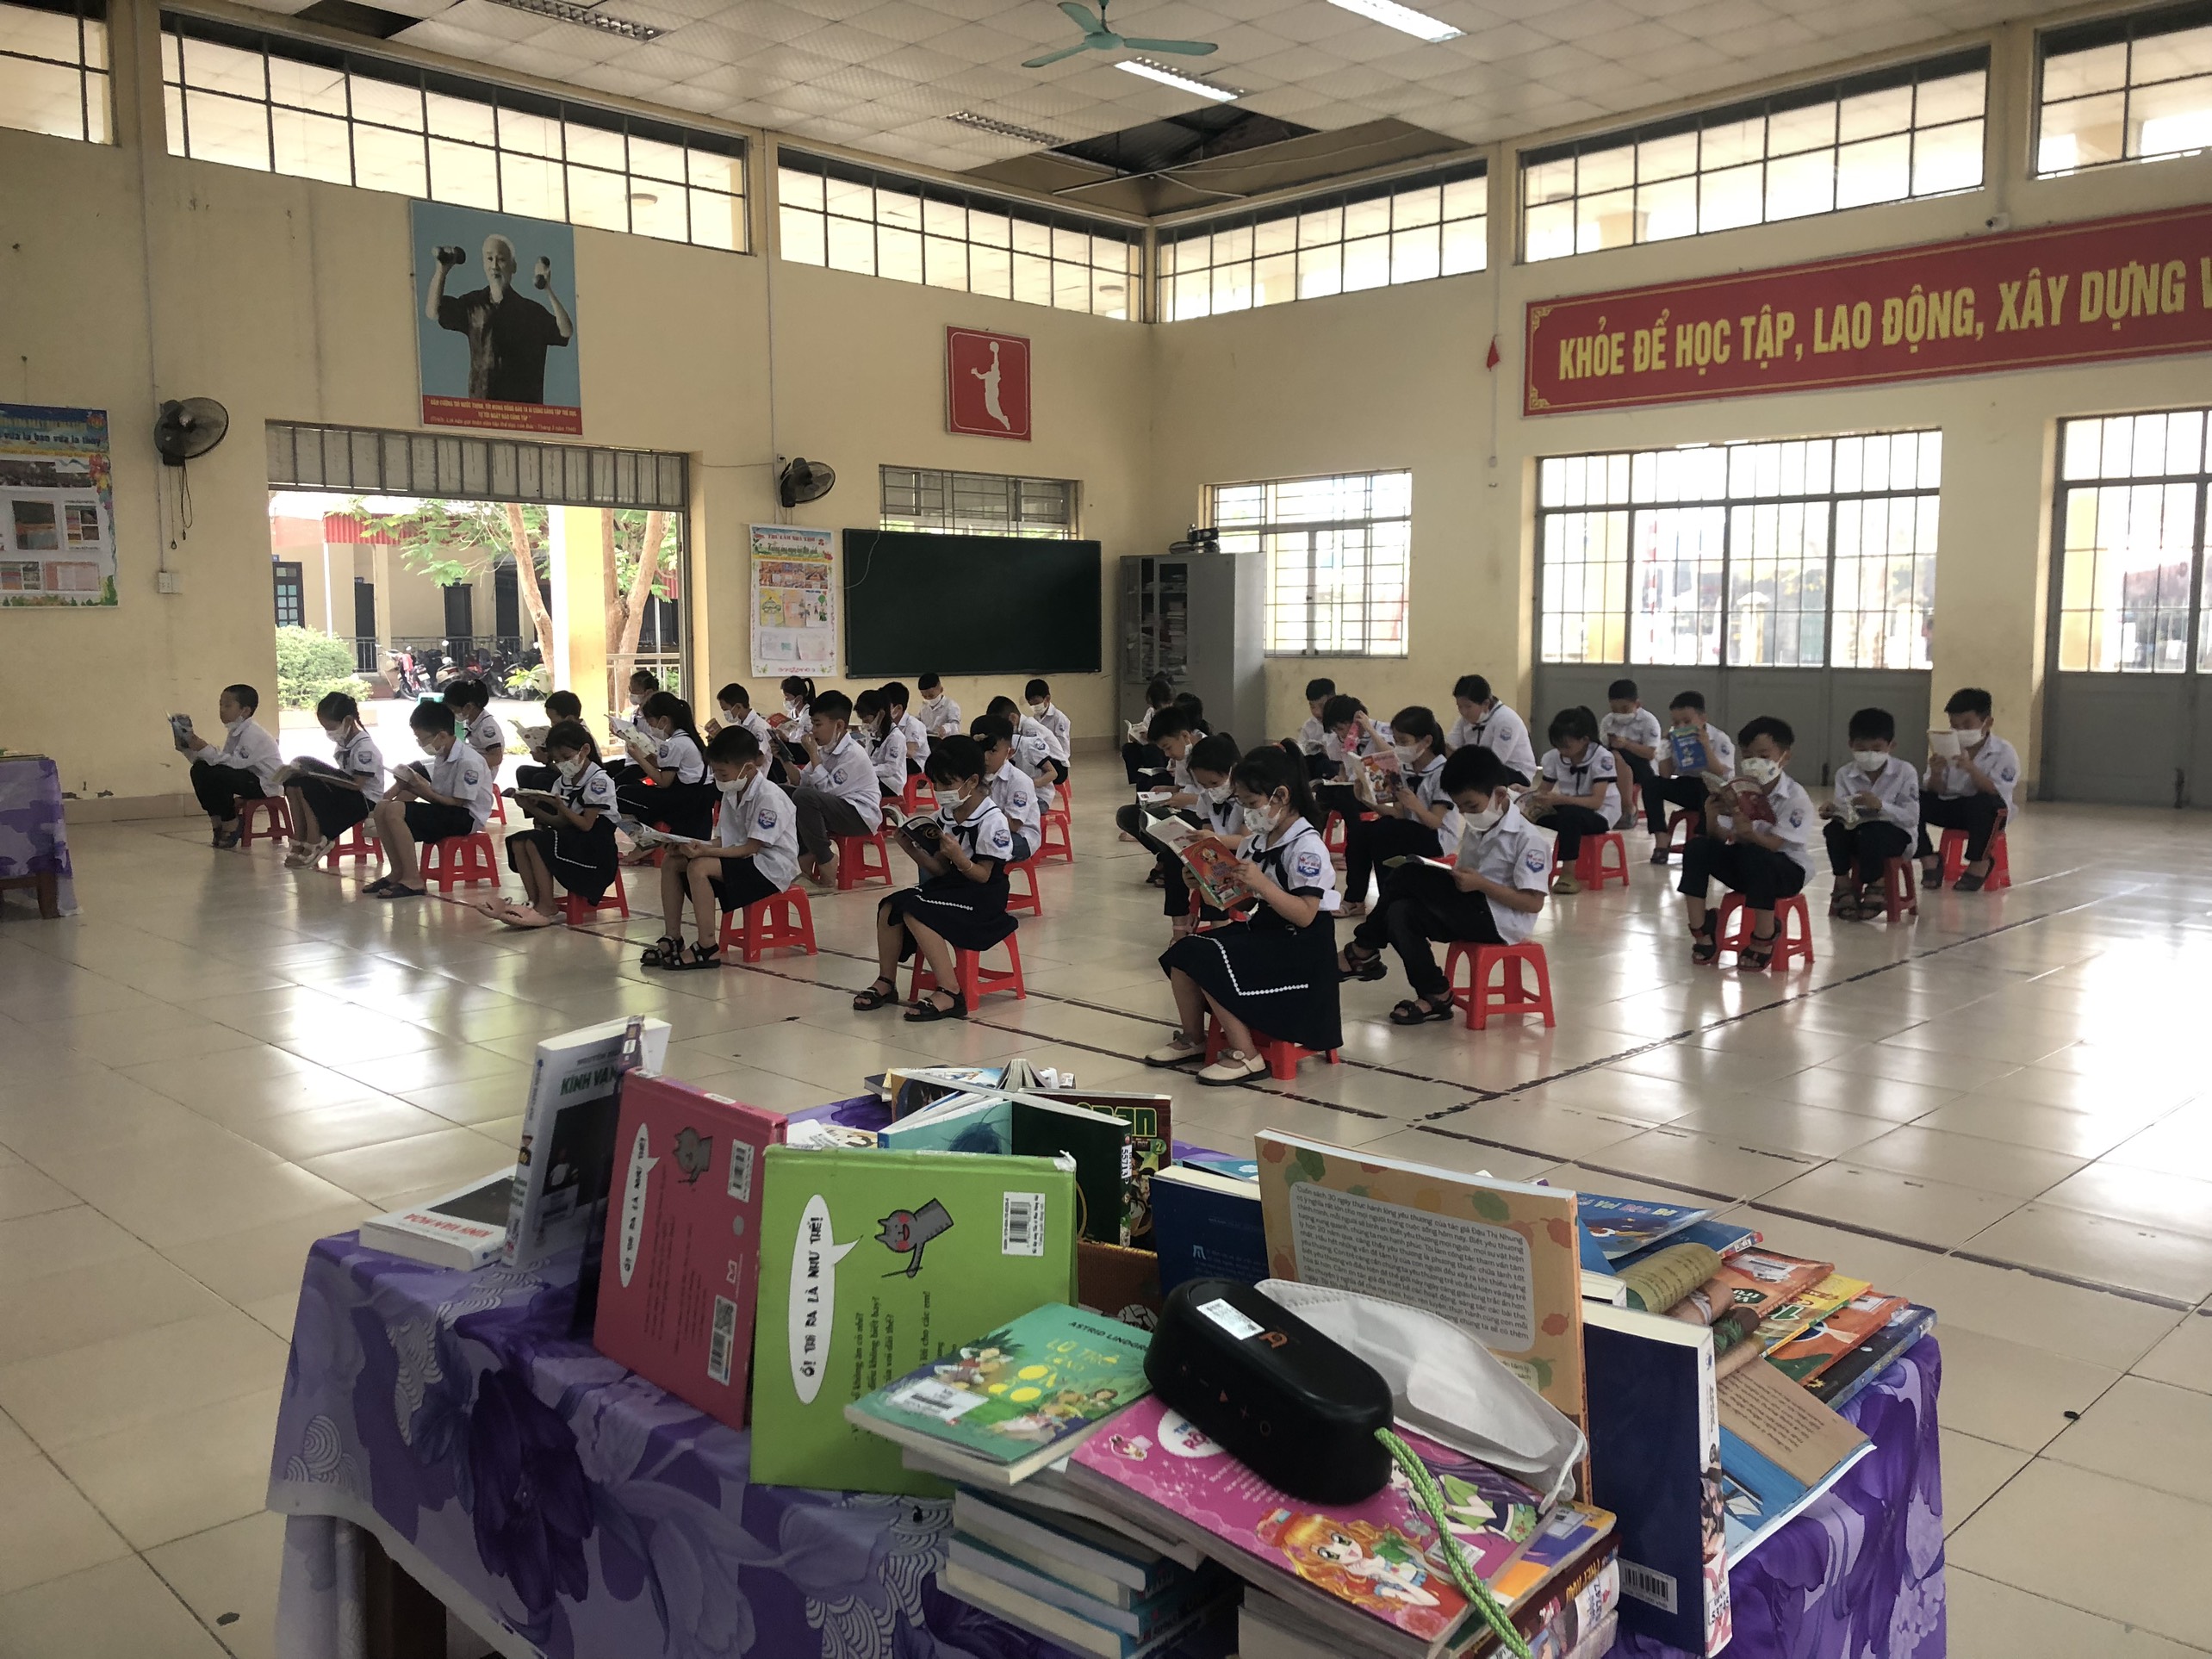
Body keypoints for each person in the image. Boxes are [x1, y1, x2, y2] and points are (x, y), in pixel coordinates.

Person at [1146, 746, 1342, 1084]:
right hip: (1266, 928)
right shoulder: (1259, 841)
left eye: (1252, 804)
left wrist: (1262, 884)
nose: (1249, 814)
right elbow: (1241, 905)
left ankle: (1245, 1054)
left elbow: (1306, 916)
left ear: (1281, 796)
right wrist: (1204, 883)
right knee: (1186, 950)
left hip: (1302, 946)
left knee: (1210, 958)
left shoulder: (1307, 847)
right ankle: (1193, 1037)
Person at [1337, 748, 1549, 1023]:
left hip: (1500, 920)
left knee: (1406, 874)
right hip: (1471, 905)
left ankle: (1362, 949)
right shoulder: (1479, 825)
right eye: (1461, 807)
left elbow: (1533, 903)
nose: (1465, 813)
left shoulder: (1527, 839)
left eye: (1471, 806)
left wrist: (1482, 884)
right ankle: (1435, 994)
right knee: (1400, 912)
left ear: (1499, 795)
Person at [850, 736, 1017, 1023]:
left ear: (972, 781)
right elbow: (940, 870)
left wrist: (960, 858)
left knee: (919, 911)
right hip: (951, 887)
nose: (939, 791)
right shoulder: (945, 816)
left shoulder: (992, 820)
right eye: (935, 783)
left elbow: (984, 876)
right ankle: (887, 981)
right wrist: (911, 849)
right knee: (891, 905)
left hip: (983, 896)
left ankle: (951, 991)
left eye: (947, 784)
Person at [641, 726, 796, 971]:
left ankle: (707, 946)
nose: (718, 779)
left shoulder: (769, 797)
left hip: (770, 868)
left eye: (722, 773)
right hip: (745, 859)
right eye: (715, 772)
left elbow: (750, 848)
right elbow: (725, 840)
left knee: (699, 867)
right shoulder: (733, 791)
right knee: (672, 862)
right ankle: (673, 937)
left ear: (748, 767)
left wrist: (704, 852)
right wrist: (689, 844)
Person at [1677, 716, 1817, 970]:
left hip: (1786, 870)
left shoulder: (1795, 797)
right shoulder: (1738, 790)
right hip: (1746, 865)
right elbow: (1721, 838)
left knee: (1757, 853)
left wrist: (1750, 835)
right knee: (1698, 847)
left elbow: (1774, 845)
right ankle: (1702, 929)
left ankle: (1764, 935)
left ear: (1785, 757)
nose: (1754, 763)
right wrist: (1711, 817)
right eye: (1748, 756)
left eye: (1763, 756)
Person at [487, 719, 618, 928]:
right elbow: (559, 822)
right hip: (572, 836)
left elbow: (586, 825)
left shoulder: (598, 781)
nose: (562, 764)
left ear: (585, 750)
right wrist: (531, 807)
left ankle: (547, 905)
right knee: (519, 841)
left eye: (566, 757)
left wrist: (560, 806)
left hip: (595, 845)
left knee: (537, 842)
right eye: (557, 760)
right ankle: (534, 900)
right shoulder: (562, 781)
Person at [364, 699, 495, 899]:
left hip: (467, 816)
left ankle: (413, 879)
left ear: (442, 735)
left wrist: (420, 789)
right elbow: (438, 797)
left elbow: (457, 803)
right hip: (448, 809)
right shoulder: (443, 755)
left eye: (422, 738)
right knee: (383, 807)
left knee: (395, 810)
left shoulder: (469, 761)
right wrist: (412, 785)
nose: (420, 743)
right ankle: (397, 871)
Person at [425, 233, 573, 406]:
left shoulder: (530, 311)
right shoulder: (473, 305)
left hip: (524, 411)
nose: (494, 265)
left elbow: (565, 331)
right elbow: (433, 312)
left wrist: (548, 289)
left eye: (501, 259)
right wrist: (441, 271)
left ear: (513, 266)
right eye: (489, 259)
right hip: (482, 408)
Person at [1341, 705, 1452, 916]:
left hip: (1436, 837)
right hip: (1407, 829)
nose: (1398, 747)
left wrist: (1415, 805)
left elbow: (1436, 822)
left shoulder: (1443, 772)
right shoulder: (1404, 768)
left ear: (1426, 741)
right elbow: (1399, 814)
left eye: (1403, 741)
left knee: (1385, 833)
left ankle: (1388, 903)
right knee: (1361, 832)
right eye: (1396, 741)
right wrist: (1365, 798)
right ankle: (1355, 898)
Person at [1821, 707, 1920, 919]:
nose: (1869, 755)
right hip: (1856, 834)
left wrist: (1881, 806)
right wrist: (1834, 811)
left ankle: (1877, 883)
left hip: (1895, 836)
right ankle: (1843, 882)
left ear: (1891, 746)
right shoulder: (1844, 774)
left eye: (1876, 749)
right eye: (1862, 748)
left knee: (1873, 832)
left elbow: (1911, 817)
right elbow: (1845, 811)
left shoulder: (1905, 772)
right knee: (1833, 830)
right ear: (1851, 745)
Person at [1141, 732, 1244, 936]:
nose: (1210, 789)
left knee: (1213, 868)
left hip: (1241, 854)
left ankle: (1219, 928)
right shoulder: (1207, 797)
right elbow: (1209, 828)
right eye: (1204, 785)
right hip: (1219, 850)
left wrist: (1214, 840)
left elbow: (1247, 841)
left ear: (1232, 770)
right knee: (1176, 855)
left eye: (1214, 783)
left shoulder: (1246, 798)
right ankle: (1179, 925)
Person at [1917, 687, 2018, 892]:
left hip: (1987, 813)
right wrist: (1936, 773)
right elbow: (1937, 791)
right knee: (1912, 799)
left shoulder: (2003, 752)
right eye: (1955, 726)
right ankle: (1928, 859)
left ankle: (1980, 863)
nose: (1960, 731)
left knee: (1985, 803)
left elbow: (1996, 791)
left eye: (1967, 725)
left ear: (1987, 722)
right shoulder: (1946, 746)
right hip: (1952, 806)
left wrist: (1971, 769)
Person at [1519, 707, 1620, 893]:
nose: (1561, 751)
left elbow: (1596, 802)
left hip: (1600, 814)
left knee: (1570, 816)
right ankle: (1522, 865)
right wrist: (1526, 794)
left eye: (1566, 746)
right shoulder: (1553, 758)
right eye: (1558, 745)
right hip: (1568, 810)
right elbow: (1544, 791)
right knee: (1525, 812)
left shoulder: (1602, 758)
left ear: (1585, 740)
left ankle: (1568, 874)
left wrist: (1561, 799)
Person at [280, 691, 385, 867]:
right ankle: (299, 836)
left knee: (309, 786)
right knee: (292, 782)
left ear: (348, 721)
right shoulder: (344, 743)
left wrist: (319, 776)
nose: (329, 733)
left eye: (331, 728)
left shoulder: (364, 748)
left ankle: (316, 838)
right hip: (348, 791)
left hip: (365, 800)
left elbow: (357, 784)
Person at [790, 688, 882, 885]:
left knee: (804, 798)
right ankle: (804, 856)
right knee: (786, 793)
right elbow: (801, 782)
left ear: (839, 725)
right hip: (836, 808)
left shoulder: (852, 754)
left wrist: (813, 755)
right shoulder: (825, 750)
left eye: (818, 724)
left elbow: (825, 790)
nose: (813, 731)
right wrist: (784, 759)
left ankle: (826, 860)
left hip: (859, 815)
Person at [180, 683, 284, 848]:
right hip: (247, 777)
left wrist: (204, 748)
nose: (222, 710)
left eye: (227, 706)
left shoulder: (253, 733)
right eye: (220, 705)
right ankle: (217, 821)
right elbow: (221, 760)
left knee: (218, 775)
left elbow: (235, 764)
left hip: (264, 783)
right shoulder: (235, 731)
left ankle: (231, 822)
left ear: (245, 711)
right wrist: (188, 749)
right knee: (200, 769)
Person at [1643, 690, 1736, 862]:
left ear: (1702, 719)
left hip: (1715, 791)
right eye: (1676, 722)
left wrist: (1705, 746)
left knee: (1705, 785)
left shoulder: (1719, 739)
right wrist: (1665, 745)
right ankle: (1661, 839)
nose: (1681, 727)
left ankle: (1701, 838)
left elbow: (1719, 772)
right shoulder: (1674, 739)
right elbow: (1665, 774)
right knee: (1651, 783)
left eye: (1687, 722)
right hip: (1687, 786)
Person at [616, 691, 714, 842]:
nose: (650, 728)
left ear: (663, 720)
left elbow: (664, 781)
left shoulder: (675, 744)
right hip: (697, 797)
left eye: (650, 723)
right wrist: (644, 754)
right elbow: (664, 764)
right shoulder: (686, 738)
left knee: (619, 795)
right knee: (633, 791)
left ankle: (646, 842)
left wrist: (638, 758)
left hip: (686, 800)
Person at [1112, 707, 1196, 878]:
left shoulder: (1204, 757)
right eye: (1163, 750)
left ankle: (1173, 862)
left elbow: (1216, 798)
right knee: (1126, 815)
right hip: (1182, 806)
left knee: (1150, 818)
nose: (1167, 754)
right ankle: (1165, 857)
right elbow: (1182, 786)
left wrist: (1187, 799)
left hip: (1197, 815)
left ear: (1185, 736)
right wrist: (1168, 790)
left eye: (1168, 748)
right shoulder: (1181, 756)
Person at [972, 712, 1041, 863]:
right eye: (980, 749)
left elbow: (1014, 825)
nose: (985, 757)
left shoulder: (1019, 781)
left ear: (1009, 753)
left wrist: (977, 819)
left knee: (978, 846)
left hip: (1020, 838)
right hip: (982, 830)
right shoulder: (972, 776)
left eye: (993, 751)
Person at [1314, 693, 1389, 823]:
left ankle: (1356, 831)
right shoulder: (1339, 739)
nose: (1340, 734)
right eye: (1335, 730)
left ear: (1356, 723)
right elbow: (1343, 767)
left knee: (1345, 796)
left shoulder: (1382, 730)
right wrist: (1341, 778)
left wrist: (1370, 730)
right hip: (1355, 786)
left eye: (1341, 728)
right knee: (1323, 793)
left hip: (1381, 789)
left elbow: (1392, 755)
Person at [1599, 679, 1662, 830]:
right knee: (1612, 756)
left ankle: (1628, 808)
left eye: (1625, 708)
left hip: (1643, 766)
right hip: (1614, 764)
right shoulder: (1608, 721)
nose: (1619, 713)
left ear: (1637, 704)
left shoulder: (1648, 721)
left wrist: (1627, 744)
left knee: (1618, 756)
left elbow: (1650, 753)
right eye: (1614, 709)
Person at [1446, 675, 1536, 781]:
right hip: (1480, 768)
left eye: (1468, 706)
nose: (1463, 712)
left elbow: (1496, 762)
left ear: (1486, 704)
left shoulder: (1506, 720)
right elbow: (1450, 746)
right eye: (1459, 706)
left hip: (1514, 772)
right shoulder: (1464, 720)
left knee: (1472, 780)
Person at [988, 694, 1062, 811]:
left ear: (1013, 718)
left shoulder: (1029, 735)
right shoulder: (1013, 740)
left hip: (1042, 790)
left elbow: (1053, 773)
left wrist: (1029, 784)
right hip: (1028, 781)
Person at [442, 678, 506, 785]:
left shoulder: (487, 727)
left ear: (468, 707)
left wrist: (467, 762)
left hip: (479, 774)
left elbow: (496, 758)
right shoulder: (471, 720)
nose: (453, 713)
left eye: (454, 709)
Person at [516, 690, 583, 790]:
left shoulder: (580, 735)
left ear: (569, 719)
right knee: (523, 771)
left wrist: (547, 761)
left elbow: (572, 771)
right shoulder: (566, 731)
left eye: (554, 722)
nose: (551, 725)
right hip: (563, 771)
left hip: (576, 778)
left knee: (541, 779)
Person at [854, 687, 909, 799]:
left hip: (890, 783)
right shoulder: (873, 733)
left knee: (854, 788)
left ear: (881, 714)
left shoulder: (896, 737)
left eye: (867, 720)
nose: (865, 724)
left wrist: (867, 770)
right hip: (875, 776)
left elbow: (890, 768)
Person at [1123, 677, 1175, 786]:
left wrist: (1153, 736)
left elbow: (1172, 736)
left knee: (1150, 749)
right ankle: (1137, 779)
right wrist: (1136, 736)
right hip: (1149, 744)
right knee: (1129, 749)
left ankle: (1159, 777)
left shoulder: (1173, 714)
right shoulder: (1151, 712)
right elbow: (1145, 726)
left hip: (1163, 748)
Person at [1286, 676, 1338, 779]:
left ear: (1333, 700)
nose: (1317, 712)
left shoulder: (1343, 723)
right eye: (1312, 707)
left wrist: (1327, 751)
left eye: (1322, 706)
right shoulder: (1309, 725)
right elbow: (1301, 751)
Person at [1025, 679, 1072, 784]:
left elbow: (1064, 746)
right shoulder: (1036, 717)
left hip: (1057, 762)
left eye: (1036, 703)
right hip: (1043, 757)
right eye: (1031, 704)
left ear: (1047, 699)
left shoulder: (1059, 718)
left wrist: (1061, 762)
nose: (1034, 707)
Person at [883, 680, 930, 774]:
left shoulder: (913, 724)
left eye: (885, 706)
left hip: (916, 763)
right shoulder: (888, 723)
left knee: (890, 766)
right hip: (897, 759)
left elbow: (910, 752)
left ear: (899, 708)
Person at [774, 676, 817, 768]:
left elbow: (802, 740)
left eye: (787, 697)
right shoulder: (791, 713)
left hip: (804, 753)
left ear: (799, 698)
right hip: (793, 750)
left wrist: (787, 739)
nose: (785, 701)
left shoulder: (808, 715)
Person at [916, 673, 964, 741]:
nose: (928, 698)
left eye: (931, 696)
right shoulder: (924, 706)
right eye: (924, 696)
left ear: (941, 689)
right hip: (928, 739)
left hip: (945, 741)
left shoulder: (951, 705)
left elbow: (956, 725)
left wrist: (946, 728)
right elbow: (919, 720)